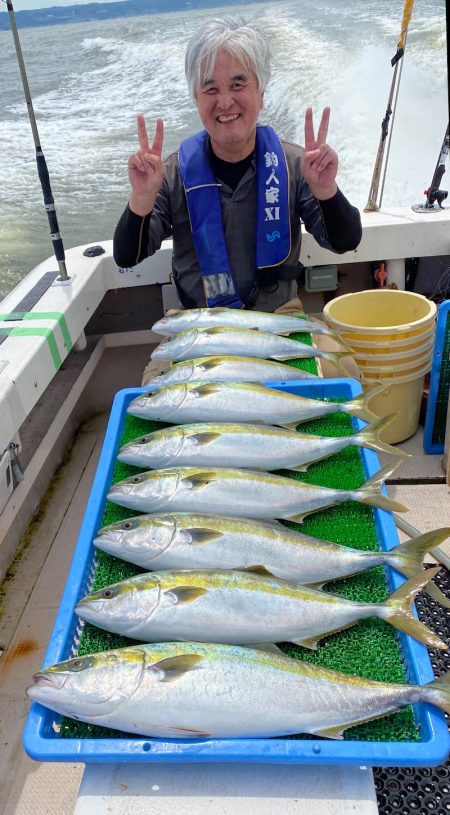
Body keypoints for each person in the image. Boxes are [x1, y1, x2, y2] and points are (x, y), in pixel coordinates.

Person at [113, 16, 362, 315]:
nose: (225, 102)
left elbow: (346, 241)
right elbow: (127, 256)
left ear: (261, 95)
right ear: (196, 97)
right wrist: (141, 198)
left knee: (340, 364)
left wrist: (326, 191)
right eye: (211, 89)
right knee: (157, 366)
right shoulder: (170, 173)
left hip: (279, 322)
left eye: (238, 84)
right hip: (200, 325)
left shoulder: (296, 165)